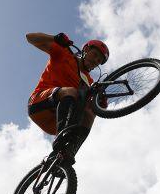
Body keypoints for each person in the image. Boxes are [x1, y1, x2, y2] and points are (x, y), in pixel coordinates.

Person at [25, 31, 109, 160]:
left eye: (99, 60)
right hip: (38, 104)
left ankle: (69, 152)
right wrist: (55, 38)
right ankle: (61, 139)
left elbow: (93, 106)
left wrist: (101, 102)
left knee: (90, 113)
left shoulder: (89, 81)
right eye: (95, 55)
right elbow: (30, 38)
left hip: (56, 122)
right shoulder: (64, 54)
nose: (96, 61)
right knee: (71, 91)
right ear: (86, 49)